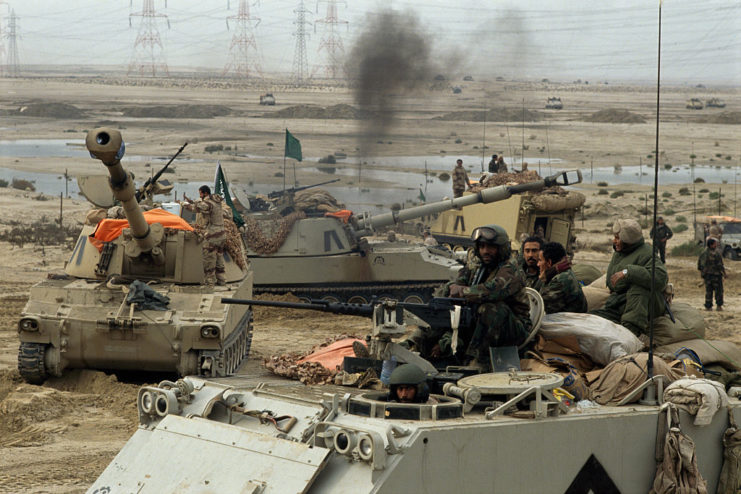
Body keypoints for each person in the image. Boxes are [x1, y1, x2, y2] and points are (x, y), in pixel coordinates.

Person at [442, 224, 531, 370]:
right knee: (445, 299)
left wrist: (463, 291)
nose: (485, 251)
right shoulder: (478, 265)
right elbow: (459, 283)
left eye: (491, 247)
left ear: (501, 249)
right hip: (482, 322)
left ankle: (478, 361)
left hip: (514, 328)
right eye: (482, 246)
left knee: (490, 308)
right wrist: (453, 289)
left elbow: (493, 290)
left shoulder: (511, 268)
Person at [590, 218, 667, 336]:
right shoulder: (621, 252)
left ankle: (631, 333)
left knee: (639, 286)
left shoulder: (647, 253)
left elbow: (661, 277)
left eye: (617, 238)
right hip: (619, 304)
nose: (614, 241)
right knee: (592, 320)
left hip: (643, 307)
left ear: (628, 241)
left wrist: (628, 272)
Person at [181, 185, 226, 286]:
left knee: (209, 260)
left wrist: (183, 204)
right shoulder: (216, 201)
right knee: (219, 260)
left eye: (201, 193)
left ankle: (209, 284)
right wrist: (192, 201)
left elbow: (195, 208)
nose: (200, 195)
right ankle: (222, 281)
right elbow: (201, 204)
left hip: (213, 236)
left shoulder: (208, 203)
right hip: (222, 235)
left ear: (205, 193)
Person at [538, 242, 588, 314]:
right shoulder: (562, 273)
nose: (538, 264)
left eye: (540, 260)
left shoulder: (560, 280)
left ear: (549, 262)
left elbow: (541, 307)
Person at [698, 237, 725, 311]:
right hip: (716, 275)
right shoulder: (716, 253)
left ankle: (708, 306)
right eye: (715, 244)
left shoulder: (703, 253)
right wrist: (724, 274)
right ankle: (719, 306)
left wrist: (703, 273)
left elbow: (699, 265)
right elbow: (720, 265)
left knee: (708, 291)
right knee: (718, 291)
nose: (716, 245)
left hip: (707, 276)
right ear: (711, 245)